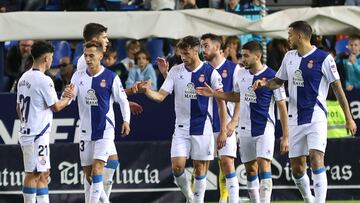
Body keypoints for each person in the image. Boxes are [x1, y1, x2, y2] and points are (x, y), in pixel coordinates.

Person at [252, 21, 357, 203]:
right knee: (297, 169)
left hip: (316, 116)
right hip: (294, 118)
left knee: (316, 158)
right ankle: (309, 198)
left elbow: (338, 89)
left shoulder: (324, 58)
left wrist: (349, 118)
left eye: (290, 34)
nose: (288, 38)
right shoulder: (289, 57)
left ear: (299, 36)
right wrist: (265, 84)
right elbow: (278, 81)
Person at [197, 40, 289, 203]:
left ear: (258, 56)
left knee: (263, 165)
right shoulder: (241, 73)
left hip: (265, 128)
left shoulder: (273, 76)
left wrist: (286, 136)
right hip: (245, 129)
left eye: (246, 56)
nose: (242, 59)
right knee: (251, 171)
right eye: (242, 55)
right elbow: (236, 96)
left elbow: (282, 106)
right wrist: (216, 94)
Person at [140, 36, 227, 203]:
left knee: (200, 168)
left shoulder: (210, 73)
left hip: (203, 126)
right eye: (181, 54)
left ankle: (198, 201)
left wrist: (223, 130)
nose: (183, 57)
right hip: (181, 127)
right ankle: (189, 197)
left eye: (186, 53)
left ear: (196, 51)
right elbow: (160, 96)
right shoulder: (175, 71)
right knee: (177, 166)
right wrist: (146, 91)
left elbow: (221, 103)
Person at [70, 40, 131, 203]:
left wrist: (126, 120)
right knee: (89, 176)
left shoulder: (111, 77)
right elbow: (69, 98)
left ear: (100, 56)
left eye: (92, 55)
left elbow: (123, 100)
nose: (88, 59)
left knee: (98, 171)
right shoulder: (78, 76)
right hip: (84, 131)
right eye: (86, 56)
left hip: (105, 130)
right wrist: (65, 96)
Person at [17, 40, 74, 203]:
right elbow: (56, 107)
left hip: (32, 132)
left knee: (43, 172)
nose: (51, 61)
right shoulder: (44, 80)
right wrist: (68, 97)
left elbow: (17, 108)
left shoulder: (23, 78)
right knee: (33, 173)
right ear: (46, 58)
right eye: (51, 58)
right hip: (36, 134)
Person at [200, 33, 240, 203]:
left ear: (217, 47)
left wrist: (234, 121)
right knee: (201, 165)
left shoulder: (234, 68)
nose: (203, 50)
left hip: (226, 124)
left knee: (226, 162)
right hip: (205, 126)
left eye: (206, 46)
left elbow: (240, 97)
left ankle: (232, 200)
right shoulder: (200, 69)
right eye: (201, 46)